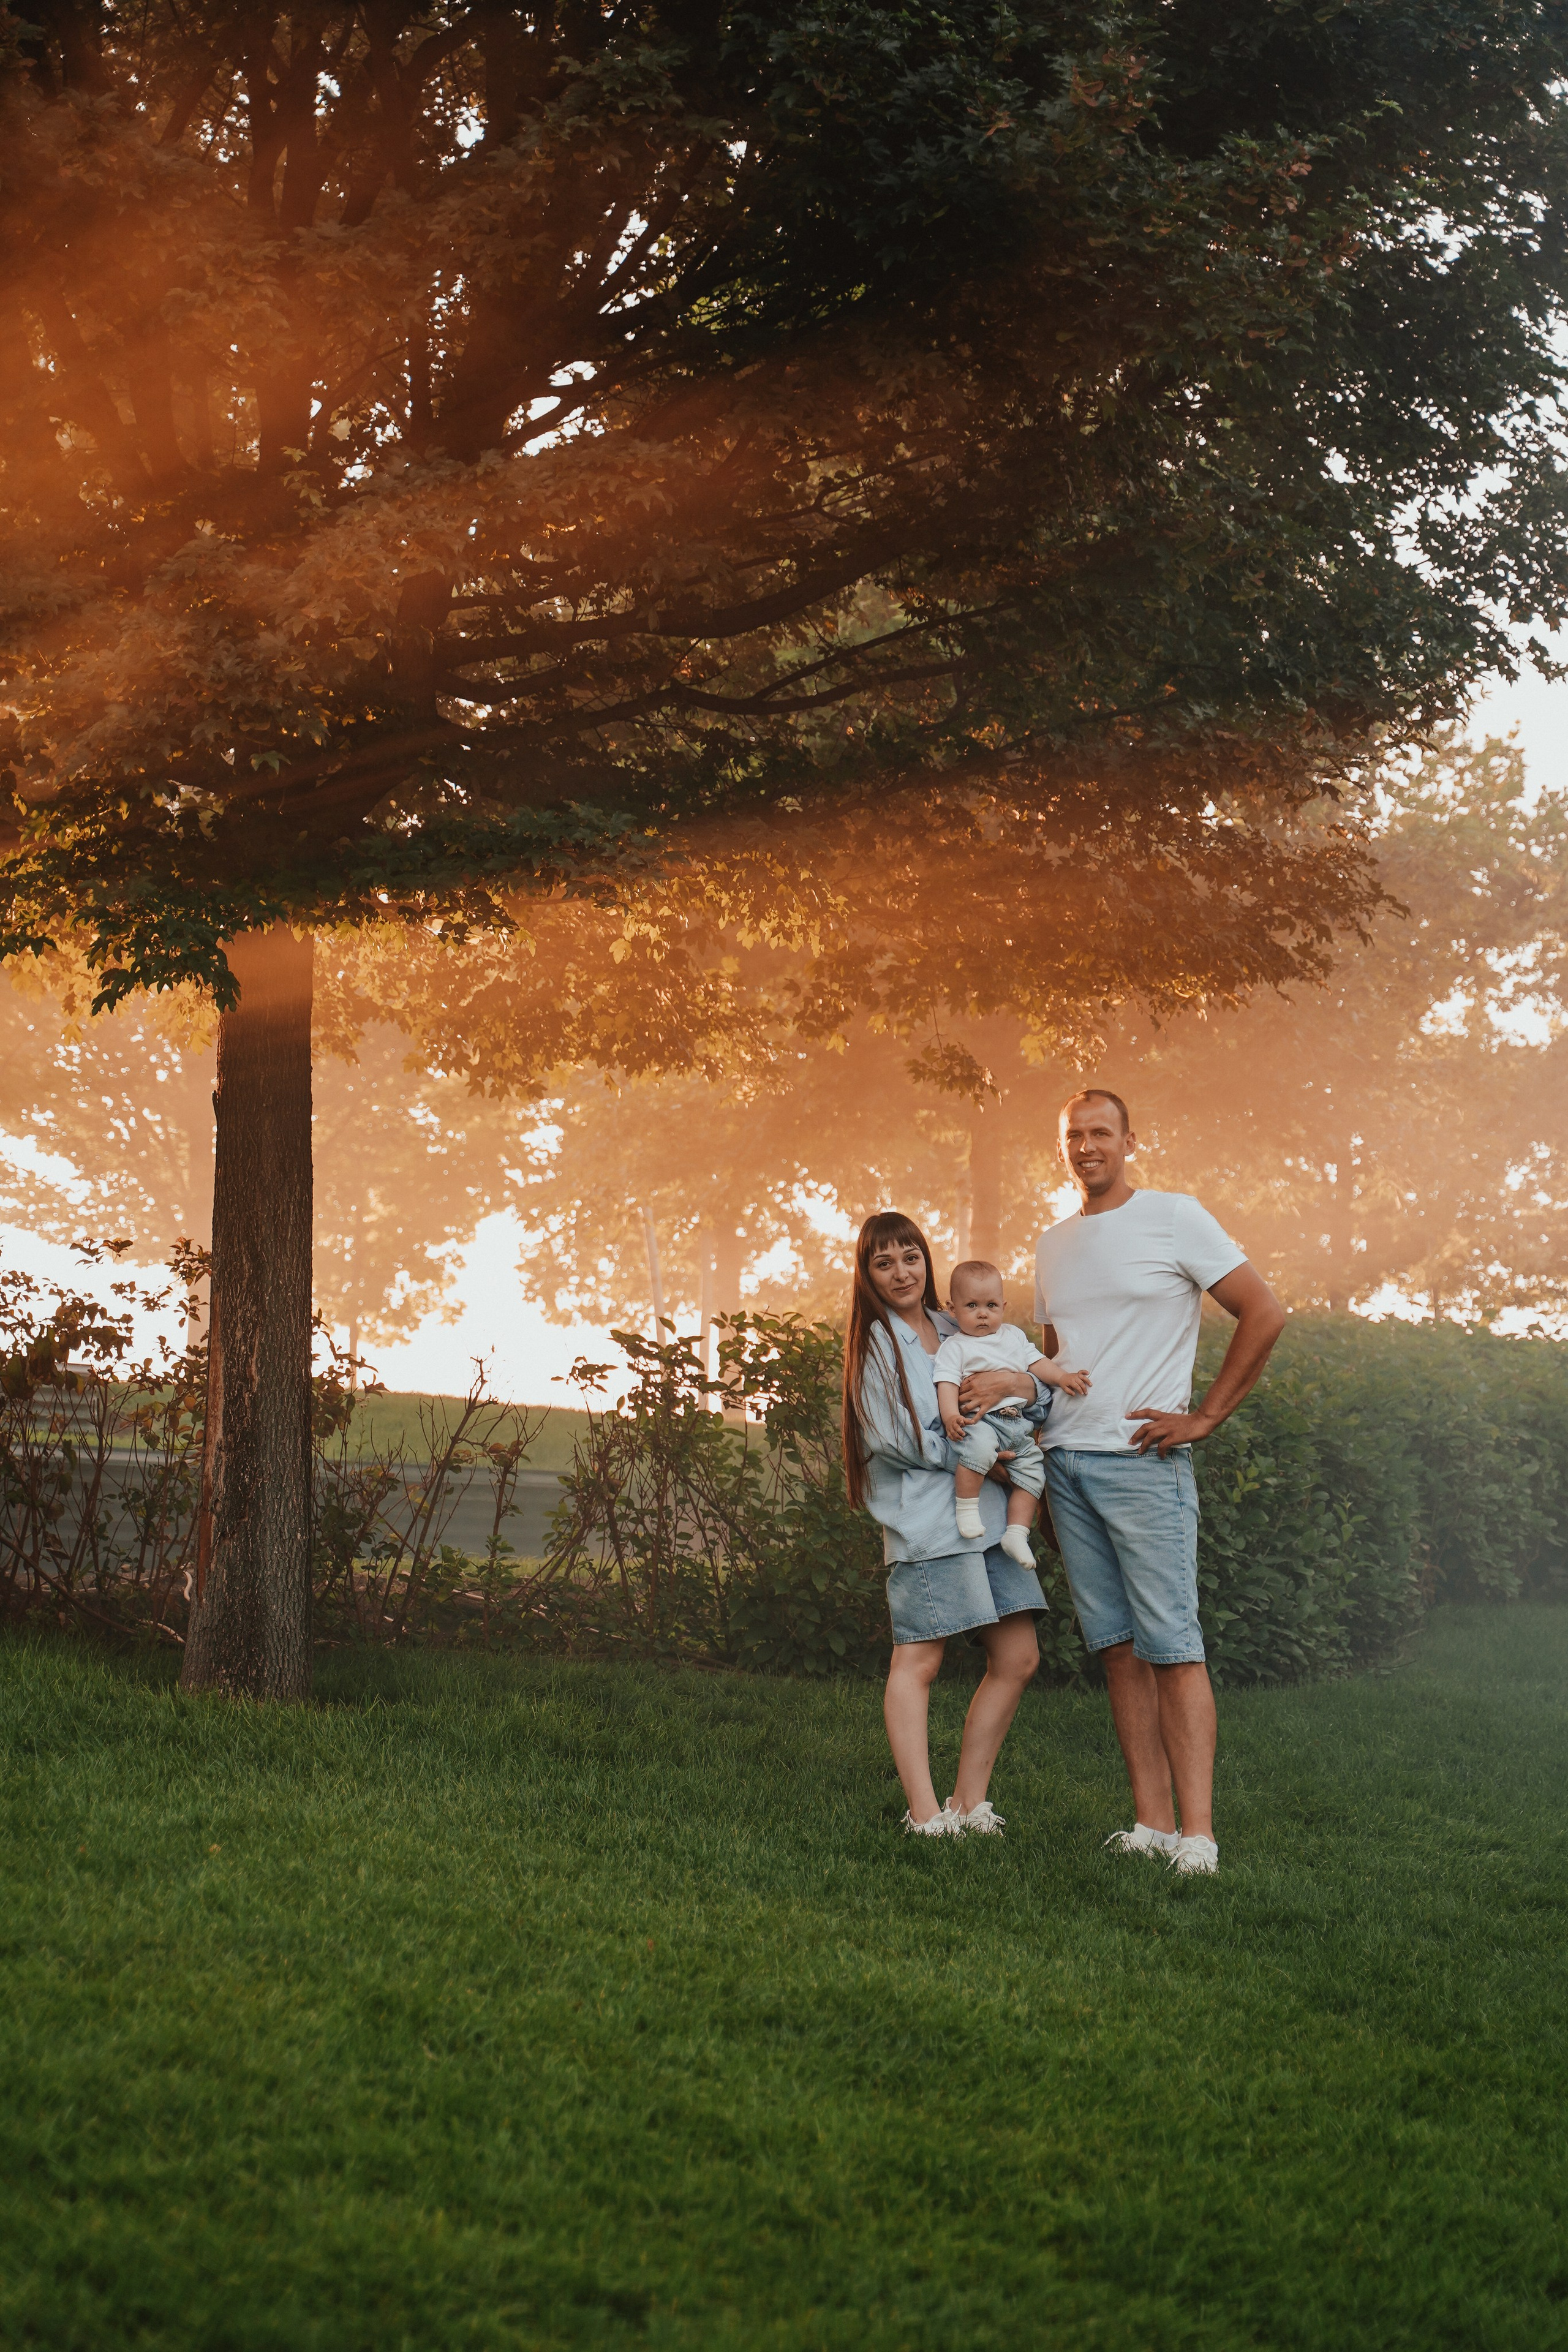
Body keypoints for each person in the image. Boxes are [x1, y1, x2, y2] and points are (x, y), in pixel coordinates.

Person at [1036, 1090, 1287, 1877]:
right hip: (1068, 1467)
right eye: (1073, 1136)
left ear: (1129, 1142)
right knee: (1116, 1651)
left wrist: (1206, 1415)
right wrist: (1039, 1464)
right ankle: (1150, 1823)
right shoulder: (1051, 1244)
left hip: (1143, 1465)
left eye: (1100, 1133)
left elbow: (1263, 1311)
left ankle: (1199, 1837)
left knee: (1173, 1649)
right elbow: (1054, 1354)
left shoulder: (1176, 1217)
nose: (1086, 1146)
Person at [842, 1212, 1051, 1839]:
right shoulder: (875, 1343)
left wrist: (1017, 1386)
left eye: (910, 1257)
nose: (901, 1272)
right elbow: (892, 1438)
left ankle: (968, 1803)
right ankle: (925, 1815)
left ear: (927, 1262)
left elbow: (1029, 1392)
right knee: (920, 1660)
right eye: (884, 1263)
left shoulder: (956, 1322)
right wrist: (983, 1462)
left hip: (989, 1518)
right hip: (929, 1518)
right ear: (868, 1274)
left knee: (1017, 1657)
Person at [932, 1258, 1090, 1565]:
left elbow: (1038, 1364)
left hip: (1017, 1424)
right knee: (977, 1451)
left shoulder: (1013, 1337)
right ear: (953, 1310)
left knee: (1033, 1474)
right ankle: (966, 1510)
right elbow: (947, 1383)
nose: (982, 1314)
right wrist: (951, 1416)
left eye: (991, 1305)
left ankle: (1016, 1534)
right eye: (972, 1306)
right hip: (981, 1421)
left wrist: (1063, 1377)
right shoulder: (955, 1347)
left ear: (1003, 1306)